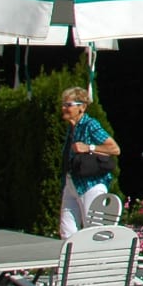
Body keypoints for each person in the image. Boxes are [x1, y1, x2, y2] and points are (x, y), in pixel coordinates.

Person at [59, 88, 120, 238]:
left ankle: (98, 254)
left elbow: (114, 149)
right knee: (67, 230)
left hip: (90, 185)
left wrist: (89, 147)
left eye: (68, 105)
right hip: (72, 182)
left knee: (94, 231)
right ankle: (71, 253)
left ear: (82, 107)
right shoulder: (72, 127)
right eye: (63, 104)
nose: (64, 108)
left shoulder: (90, 124)